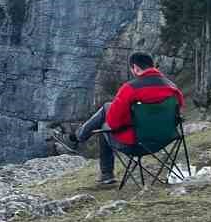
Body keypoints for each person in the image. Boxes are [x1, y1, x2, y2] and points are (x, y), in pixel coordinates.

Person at [70, 52, 185, 187]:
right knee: (108, 110)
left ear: (135, 68)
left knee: (106, 117)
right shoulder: (172, 87)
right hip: (164, 140)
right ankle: (80, 136)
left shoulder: (130, 88)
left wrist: (128, 122)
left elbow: (113, 123)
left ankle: (104, 172)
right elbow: (177, 114)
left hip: (136, 144)